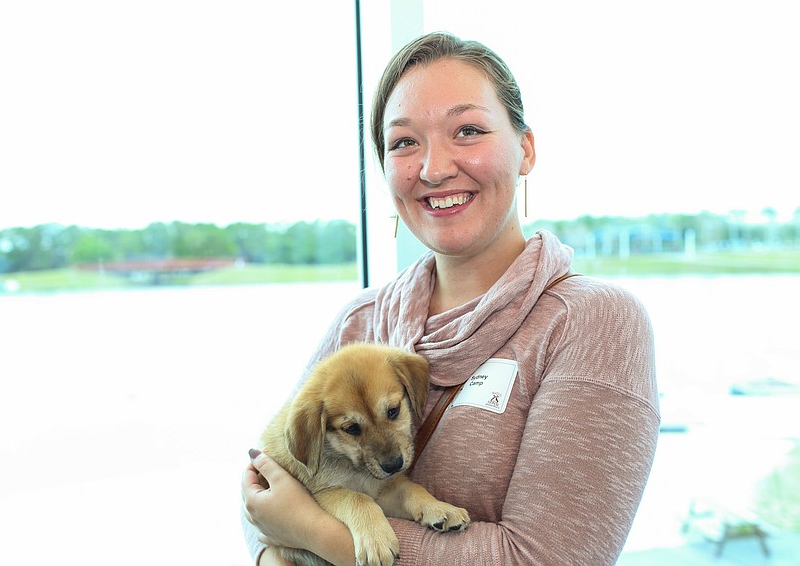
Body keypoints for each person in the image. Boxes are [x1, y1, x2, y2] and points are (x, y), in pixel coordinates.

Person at [241, 31, 659, 565]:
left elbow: (547, 559)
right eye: (404, 142)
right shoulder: (362, 321)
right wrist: (274, 544)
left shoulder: (590, 323)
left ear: (525, 148)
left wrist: (323, 538)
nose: (434, 168)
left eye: (468, 130)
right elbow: (264, 489)